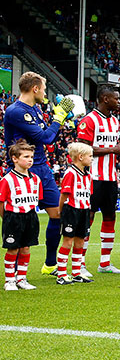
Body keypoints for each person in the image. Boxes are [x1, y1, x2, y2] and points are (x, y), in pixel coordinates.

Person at [3, 72, 75, 276]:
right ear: (35, 88)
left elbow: (47, 134)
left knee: (57, 215)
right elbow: (45, 137)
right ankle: (15, 272)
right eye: (43, 89)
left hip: (42, 169)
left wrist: (60, 121)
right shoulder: (15, 111)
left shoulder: (34, 110)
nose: (44, 93)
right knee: (20, 219)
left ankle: (50, 264)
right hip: (22, 171)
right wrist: (58, 118)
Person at [75, 83, 120, 274]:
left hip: (110, 178)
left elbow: (111, 147)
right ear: (105, 99)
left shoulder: (114, 121)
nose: (119, 102)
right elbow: (83, 149)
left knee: (110, 217)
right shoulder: (89, 120)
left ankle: (105, 263)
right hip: (92, 177)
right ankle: (80, 264)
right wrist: (113, 149)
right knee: (89, 218)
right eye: (116, 98)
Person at [1, 140, 43, 290]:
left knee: (26, 248)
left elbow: (37, 199)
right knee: (13, 249)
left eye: (31, 156)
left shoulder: (36, 179)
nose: (30, 160)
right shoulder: (7, 180)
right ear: (15, 159)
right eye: (26, 156)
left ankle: (21, 278)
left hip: (30, 216)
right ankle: (9, 280)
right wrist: (6, 218)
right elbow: (1, 202)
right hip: (13, 217)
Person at [55, 142, 94, 284]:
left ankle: (77, 272)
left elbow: (89, 194)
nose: (92, 159)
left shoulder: (88, 175)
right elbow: (64, 194)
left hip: (84, 211)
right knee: (68, 241)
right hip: (71, 210)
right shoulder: (70, 173)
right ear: (80, 157)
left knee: (80, 241)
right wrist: (61, 210)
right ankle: (61, 274)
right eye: (90, 156)